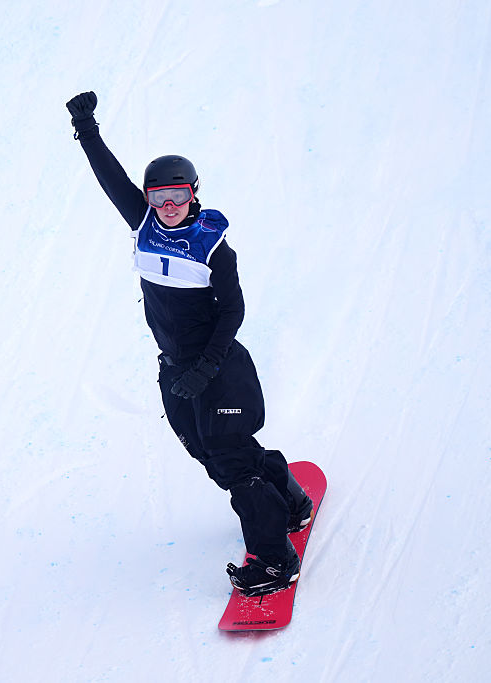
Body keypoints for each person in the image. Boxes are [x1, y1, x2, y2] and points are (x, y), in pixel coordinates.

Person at [66, 91, 313, 597]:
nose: (169, 207)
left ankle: (274, 560)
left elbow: (233, 311)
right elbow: (111, 179)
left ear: (195, 194)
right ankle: (290, 503)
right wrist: (87, 128)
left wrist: (208, 366)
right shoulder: (143, 225)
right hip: (175, 366)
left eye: (178, 195)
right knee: (205, 450)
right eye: (158, 197)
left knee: (231, 461)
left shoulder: (212, 244)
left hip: (218, 365)